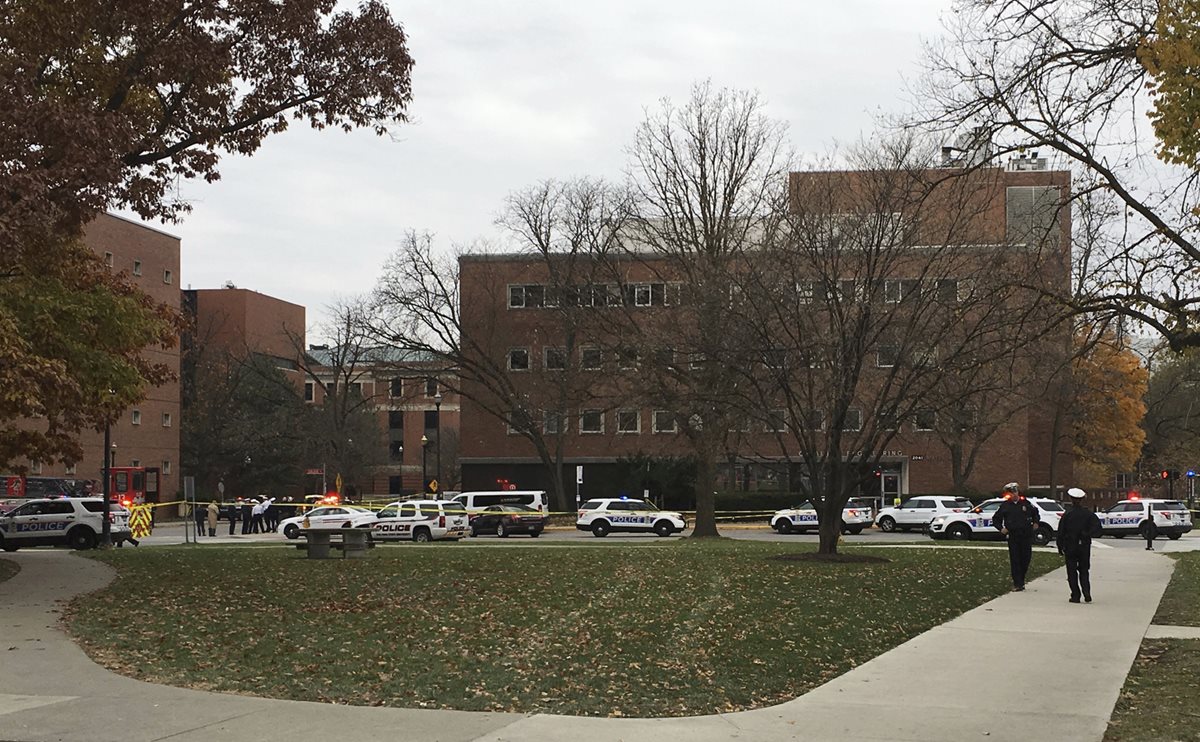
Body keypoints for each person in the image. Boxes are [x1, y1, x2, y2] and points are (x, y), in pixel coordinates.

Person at [992, 482, 1041, 591]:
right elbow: (996, 519)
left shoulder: (1026, 504)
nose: (1014, 494)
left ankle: (1021, 579)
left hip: (1026, 535)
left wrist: (1036, 522)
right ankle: (1018, 583)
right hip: (1013, 536)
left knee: (1026, 558)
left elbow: (1035, 513)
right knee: (1015, 560)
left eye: (1015, 492)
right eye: (1012, 493)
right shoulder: (1005, 506)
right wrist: (1001, 529)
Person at [1058, 487, 1103, 603]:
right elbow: (1098, 528)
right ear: (1082, 499)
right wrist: (1087, 534)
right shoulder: (1088, 514)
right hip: (1084, 546)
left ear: (1071, 499)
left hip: (1070, 546)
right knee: (1084, 570)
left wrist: (1060, 546)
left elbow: (1061, 531)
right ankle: (1086, 592)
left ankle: (1075, 595)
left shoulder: (1067, 514)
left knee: (1072, 571)